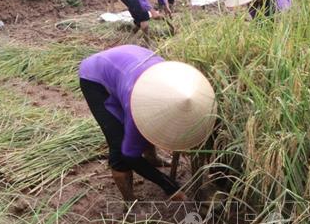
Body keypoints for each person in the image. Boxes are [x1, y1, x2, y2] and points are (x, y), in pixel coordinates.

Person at [78, 45, 216, 202]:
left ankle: (152, 159)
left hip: (130, 62)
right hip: (95, 76)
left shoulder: (184, 87)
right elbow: (129, 156)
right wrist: (169, 186)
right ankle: (129, 204)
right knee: (118, 148)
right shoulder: (136, 105)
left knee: (146, 130)